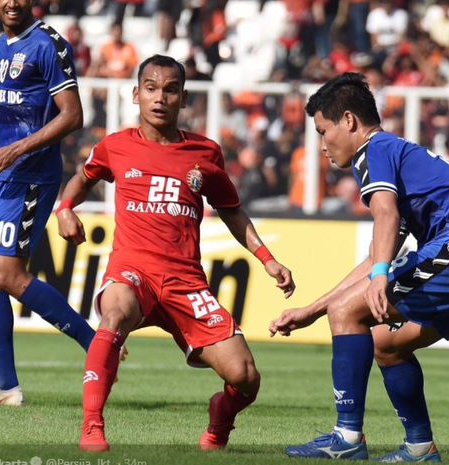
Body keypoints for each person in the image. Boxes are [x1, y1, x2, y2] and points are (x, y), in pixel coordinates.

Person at [269, 72, 449, 462]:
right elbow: (377, 254)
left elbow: (383, 217)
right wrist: (311, 311)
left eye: (323, 130)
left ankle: (347, 436)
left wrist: (381, 277)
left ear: (349, 121)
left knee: (348, 312)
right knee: (386, 344)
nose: (321, 145)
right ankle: (420, 447)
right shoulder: (401, 155)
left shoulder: (374, 150)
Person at [56, 54, 296, 452]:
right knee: (113, 316)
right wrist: (65, 209)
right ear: (136, 94)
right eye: (151, 88)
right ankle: (92, 427)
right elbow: (82, 179)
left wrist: (267, 258)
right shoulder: (114, 147)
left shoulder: (206, 153)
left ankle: (219, 422)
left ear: (183, 98)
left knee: (246, 377)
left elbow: (231, 210)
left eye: (170, 90)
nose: (160, 97)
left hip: (186, 281)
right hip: (134, 270)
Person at [0, 0, 95, 406]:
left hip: (29, 177)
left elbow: (73, 116)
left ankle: (96, 344)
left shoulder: (48, 44)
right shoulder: (0, 43)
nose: (11, 2)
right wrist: (2, 154)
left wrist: (15, 151)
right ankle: (4, 386)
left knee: (8, 274)